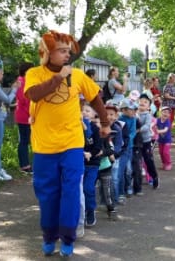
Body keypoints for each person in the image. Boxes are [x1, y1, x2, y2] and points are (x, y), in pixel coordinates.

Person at [25, 30, 110, 257]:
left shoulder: (79, 75)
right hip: (44, 146)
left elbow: (95, 98)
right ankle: (49, 236)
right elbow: (33, 95)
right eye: (61, 51)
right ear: (46, 53)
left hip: (72, 143)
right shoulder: (35, 73)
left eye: (68, 51)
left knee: (71, 191)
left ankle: (68, 238)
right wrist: (59, 77)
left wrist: (104, 122)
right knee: (48, 194)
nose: (66, 56)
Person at [81, 104, 102, 228]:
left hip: (92, 164)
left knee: (88, 188)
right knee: (79, 190)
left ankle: (90, 210)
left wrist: (90, 153)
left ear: (94, 114)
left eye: (88, 111)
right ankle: (81, 212)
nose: (84, 112)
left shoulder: (95, 128)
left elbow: (98, 147)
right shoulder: (76, 126)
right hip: (79, 163)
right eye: (83, 110)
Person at [14, 62, 34, 173]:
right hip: (24, 116)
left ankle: (26, 163)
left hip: (26, 115)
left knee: (26, 140)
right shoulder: (22, 81)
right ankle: (24, 165)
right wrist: (32, 113)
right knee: (24, 141)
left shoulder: (23, 81)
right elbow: (24, 100)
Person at [138, 94, 159, 189]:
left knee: (148, 160)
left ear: (149, 106)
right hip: (136, 142)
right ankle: (136, 182)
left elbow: (147, 126)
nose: (142, 103)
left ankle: (154, 177)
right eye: (141, 101)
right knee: (136, 161)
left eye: (145, 102)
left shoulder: (148, 116)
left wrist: (138, 130)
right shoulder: (134, 113)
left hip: (146, 142)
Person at [156, 106, 172, 170]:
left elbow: (165, 130)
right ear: (160, 112)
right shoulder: (158, 120)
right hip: (160, 140)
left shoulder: (167, 122)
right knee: (161, 152)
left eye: (168, 113)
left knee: (165, 152)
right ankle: (164, 163)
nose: (166, 114)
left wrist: (157, 131)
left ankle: (168, 163)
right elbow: (154, 125)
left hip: (167, 140)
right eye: (164, 112)